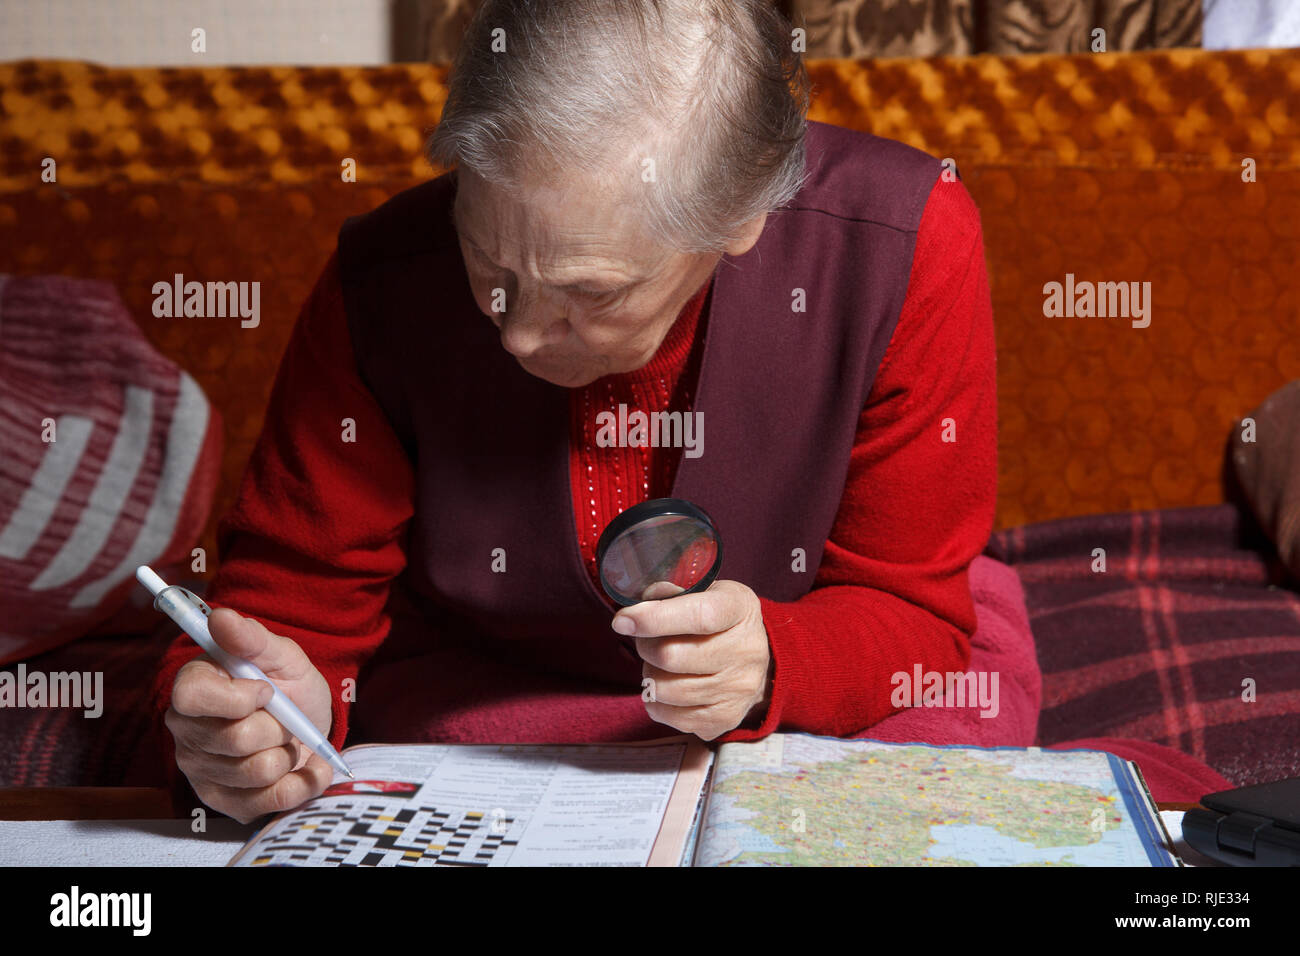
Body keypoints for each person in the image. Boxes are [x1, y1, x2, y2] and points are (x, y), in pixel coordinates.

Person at [153, 0, 1007, 825]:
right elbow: (286, 615)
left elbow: (912, 612)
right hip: (484, 695)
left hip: (802, 693)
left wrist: (773, 661)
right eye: (487, 260)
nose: (519, 335)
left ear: (743, 215)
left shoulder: (903, 245)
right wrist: (263, 716)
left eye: (590, 292)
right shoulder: (381, 281)